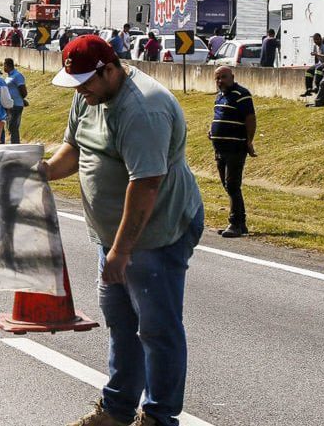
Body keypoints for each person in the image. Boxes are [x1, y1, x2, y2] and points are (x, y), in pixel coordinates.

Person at [45, 36, 203, 426]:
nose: (80, 90)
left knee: (156, 328)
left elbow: (146, 184)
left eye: (86, 82)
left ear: (110, 68)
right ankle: (116, 411)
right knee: (121, 324)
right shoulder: (89, 96)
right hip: (113, 237)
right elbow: (74, 149)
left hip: (154, 235)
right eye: (76, 83)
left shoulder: (143, 109)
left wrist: (121, 251)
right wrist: (43, 173)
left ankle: (158, 417)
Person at [208, 66, 256, 239]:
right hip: (219, 148)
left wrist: (249, 141)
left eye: (224, 77)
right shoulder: (219, 96)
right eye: (218, 78)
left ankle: (235, 223)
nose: (220, 81)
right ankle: (240, 224)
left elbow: (250, 118)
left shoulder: (241, 94)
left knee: (233, 184)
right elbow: (219, 116)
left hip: (235, 147)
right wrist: (212, 131)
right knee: (227, 185)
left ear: (232, 77)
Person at [2, 58, 27, 144]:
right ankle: (13, 143)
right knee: (10, 127)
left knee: (13, 126)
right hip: (10, 105)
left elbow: (23, 91)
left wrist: (21, 99)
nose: (3, 67)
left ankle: (15, 145)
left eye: (4, 65)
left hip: (16, 105)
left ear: (7, 65)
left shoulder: (17, 75)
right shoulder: (8, 76)